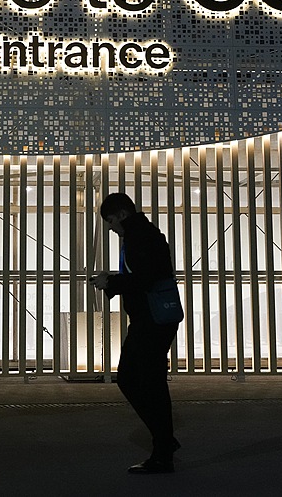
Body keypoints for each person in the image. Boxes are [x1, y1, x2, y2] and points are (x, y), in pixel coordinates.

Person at [89, 192, 182, 474]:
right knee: (145, 381)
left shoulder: (139, 236)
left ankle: (163, 446)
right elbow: (147, 273)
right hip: (152, 319)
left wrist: (111, 283)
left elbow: (146, 277)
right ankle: (164, 445)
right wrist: (115, 281)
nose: (109, 227)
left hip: (151, 321)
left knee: (135, 379)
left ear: (123, 215)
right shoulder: (144, 233)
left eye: (110, 220)